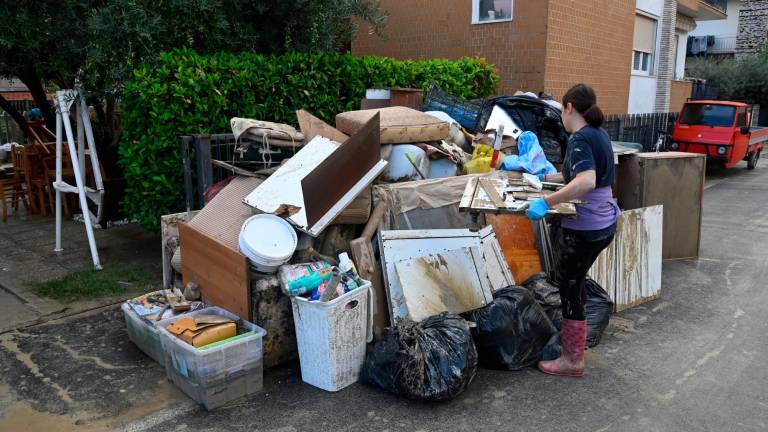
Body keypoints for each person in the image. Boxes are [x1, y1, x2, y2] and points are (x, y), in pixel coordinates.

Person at [525, 84, 620, 377]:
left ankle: (572, 359)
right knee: (574, 284)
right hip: (605, 222)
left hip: (585, 227)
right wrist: (546, 176)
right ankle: (572, 351)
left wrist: (546, 201)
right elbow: (578, 174)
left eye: (562, 111)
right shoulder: (598, 134)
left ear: (568, 108)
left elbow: (587, 181)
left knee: (569, 287)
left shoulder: (579, 138)